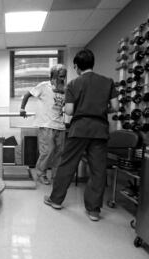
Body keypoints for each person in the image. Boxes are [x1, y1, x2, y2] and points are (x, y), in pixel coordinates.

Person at [44, 49, 119, 222]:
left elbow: (69, 110)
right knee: (98, 170)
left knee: (67, 164)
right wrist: (100, 110)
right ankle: (94, 210)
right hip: (100, 130)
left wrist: (78, 109)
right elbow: (115, 107)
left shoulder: (74, 84)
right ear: (93, 64)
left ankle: (56, 200)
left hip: (79, 129)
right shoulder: (108, 82)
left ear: (76, 66)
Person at [20, 64, 67, 185]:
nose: (62, 78)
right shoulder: (44, 86)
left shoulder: (64, 89)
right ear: (53, 75)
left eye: (64, 76)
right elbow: (27, 94)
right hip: (46, 124)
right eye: (60, 76)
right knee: (47, 151)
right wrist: (22, 109)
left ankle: (56, 176)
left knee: (59, 152)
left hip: (60, 125)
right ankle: (41, 173)